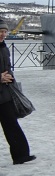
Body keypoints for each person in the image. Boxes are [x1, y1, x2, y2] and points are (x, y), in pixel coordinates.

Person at [0, 21, 34, 165]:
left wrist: (10, 78)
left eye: (4, 31)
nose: (2, 34)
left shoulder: (4, 48)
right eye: (0, 31)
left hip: (4, 94)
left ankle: (21, 155)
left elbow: (8, 68)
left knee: (11, 124)